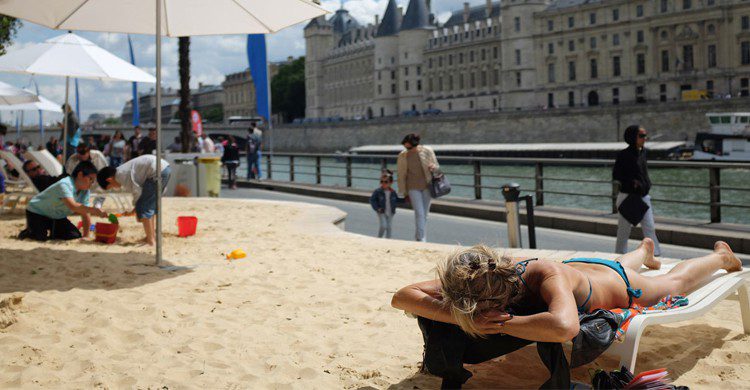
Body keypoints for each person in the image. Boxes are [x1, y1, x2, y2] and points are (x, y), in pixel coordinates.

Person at [391, 239, 742, 388]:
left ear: (498, 300)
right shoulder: (483, 274)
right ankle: (643, 250)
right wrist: (466, 318)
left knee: (673, 281)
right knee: (612, 264)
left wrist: (506, 324)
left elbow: (564, 327)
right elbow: (402, 296)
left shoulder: (544, 275)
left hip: (618, 283)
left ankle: (721, 257)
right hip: (580, 269)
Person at [18, 161, 107, 241]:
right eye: (90, 179)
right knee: (40, 237)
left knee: (74, 235)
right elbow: (73, 206)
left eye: (93, 180)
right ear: (80, 175)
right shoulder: (64, 184)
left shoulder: (85, 190)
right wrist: (95, 210)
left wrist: (86, 236)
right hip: (37, 212)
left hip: (56, 216)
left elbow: (85, 213)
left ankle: (50, 231)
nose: (92, 183)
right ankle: (27, 232)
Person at [97, 154, 171, 246]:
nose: (114, 188)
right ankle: (151, 236)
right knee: (148, 207)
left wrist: (136, 210)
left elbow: (137, 193)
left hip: (157, 171)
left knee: (145, 208)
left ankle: (151, 240)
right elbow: (139, 194)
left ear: (109, 180)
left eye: (111, 187)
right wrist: (136, 209)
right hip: (162, 168)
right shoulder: (120, 171)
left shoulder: (121, 176)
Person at [613, 125, 662, 257]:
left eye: (645, 135)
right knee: (624, 231)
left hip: (643, 196)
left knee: (649, 227)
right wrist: (632, 183)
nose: (644, 138)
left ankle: (655, 255)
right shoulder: (623, 155)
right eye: (641, 136)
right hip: (627, 197)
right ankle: (619, 256)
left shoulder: (643, 152)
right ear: (632, 137)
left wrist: (646, 184)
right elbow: (616, 175)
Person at [396, 133, 439, 242]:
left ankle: (419, 237)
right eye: (406, 147)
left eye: (409, 147)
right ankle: (421, 239)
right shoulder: (403, 155)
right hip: (412, 187)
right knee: (419, 213)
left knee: (424, 214)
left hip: (427, 186)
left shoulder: (427, 151)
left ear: (415, 144)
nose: (407, 149)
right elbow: (400, 174)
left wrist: (433, 167)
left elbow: (437, 166)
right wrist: (402, 191)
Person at [370, 171, 399, 238]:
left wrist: (406, 199)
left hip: (390, 212)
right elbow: (372, 200)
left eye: (386, 182)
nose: (383, 183)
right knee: (383, 226)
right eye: (382, 181)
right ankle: (379, 238)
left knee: (389, 227)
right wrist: (377, 208)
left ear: (391, 183)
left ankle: (388, 241)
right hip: (381, 211)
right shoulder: (378, 191)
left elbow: (397, 200)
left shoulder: (393, 192)